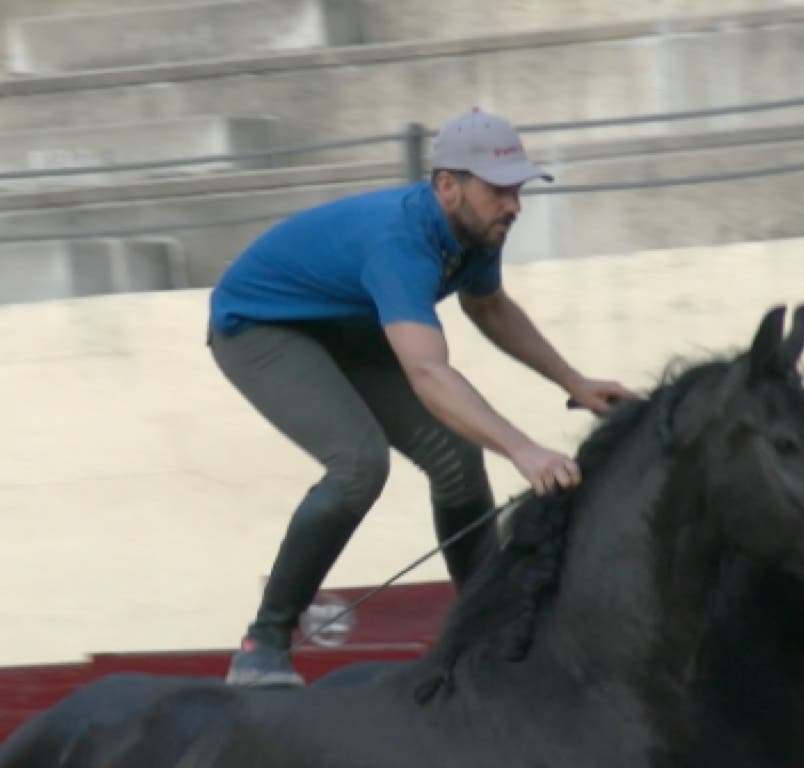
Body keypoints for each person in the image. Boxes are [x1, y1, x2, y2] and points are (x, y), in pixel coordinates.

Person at [208, 108, 634, 687]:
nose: (514, 206)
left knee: (457, 458)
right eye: (499, 192)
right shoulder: (401, 242)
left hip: (347, 323)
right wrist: (522, 450)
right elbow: (429, 373)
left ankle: (488, 631)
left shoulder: (475, 229)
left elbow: (489, 308)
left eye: (518, 191)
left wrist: (573, 382)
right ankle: (265, 643)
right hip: (262, 327)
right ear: (446, 185)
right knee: (359, 465)